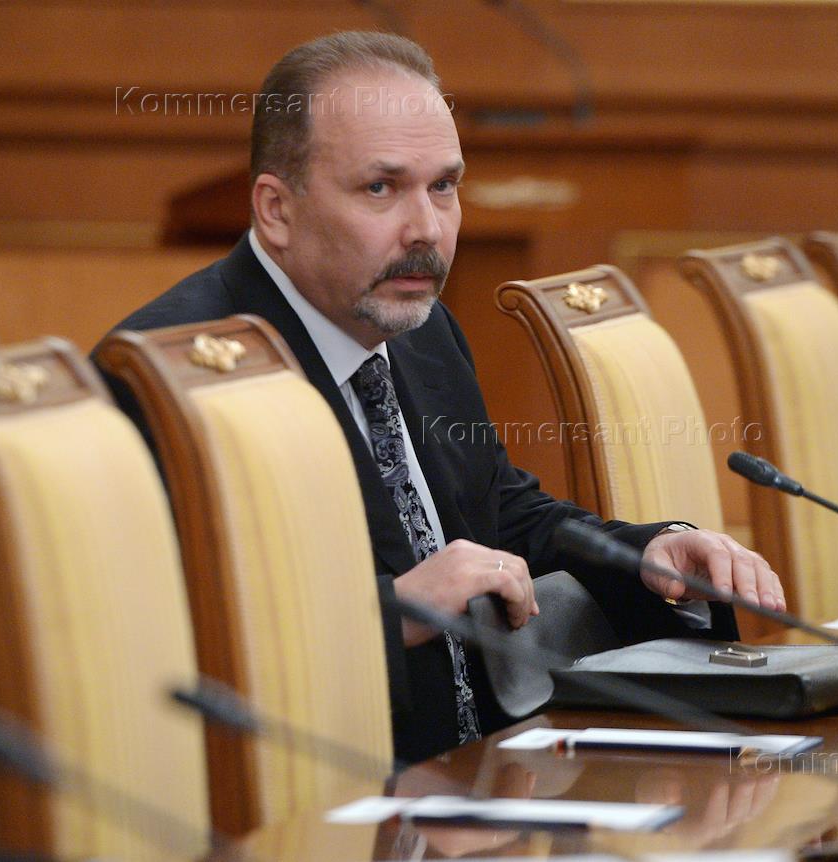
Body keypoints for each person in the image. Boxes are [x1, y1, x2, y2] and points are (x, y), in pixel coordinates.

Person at [101, 31, 786, 763]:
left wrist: (645, 553)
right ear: (276, 209)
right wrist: (391, 612)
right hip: (329, 783)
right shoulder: (176, 375)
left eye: (444, 187)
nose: (427, 230)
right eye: (381, 188)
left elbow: (498, 514)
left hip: (493, 771)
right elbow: (159, 646)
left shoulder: (422, 329)